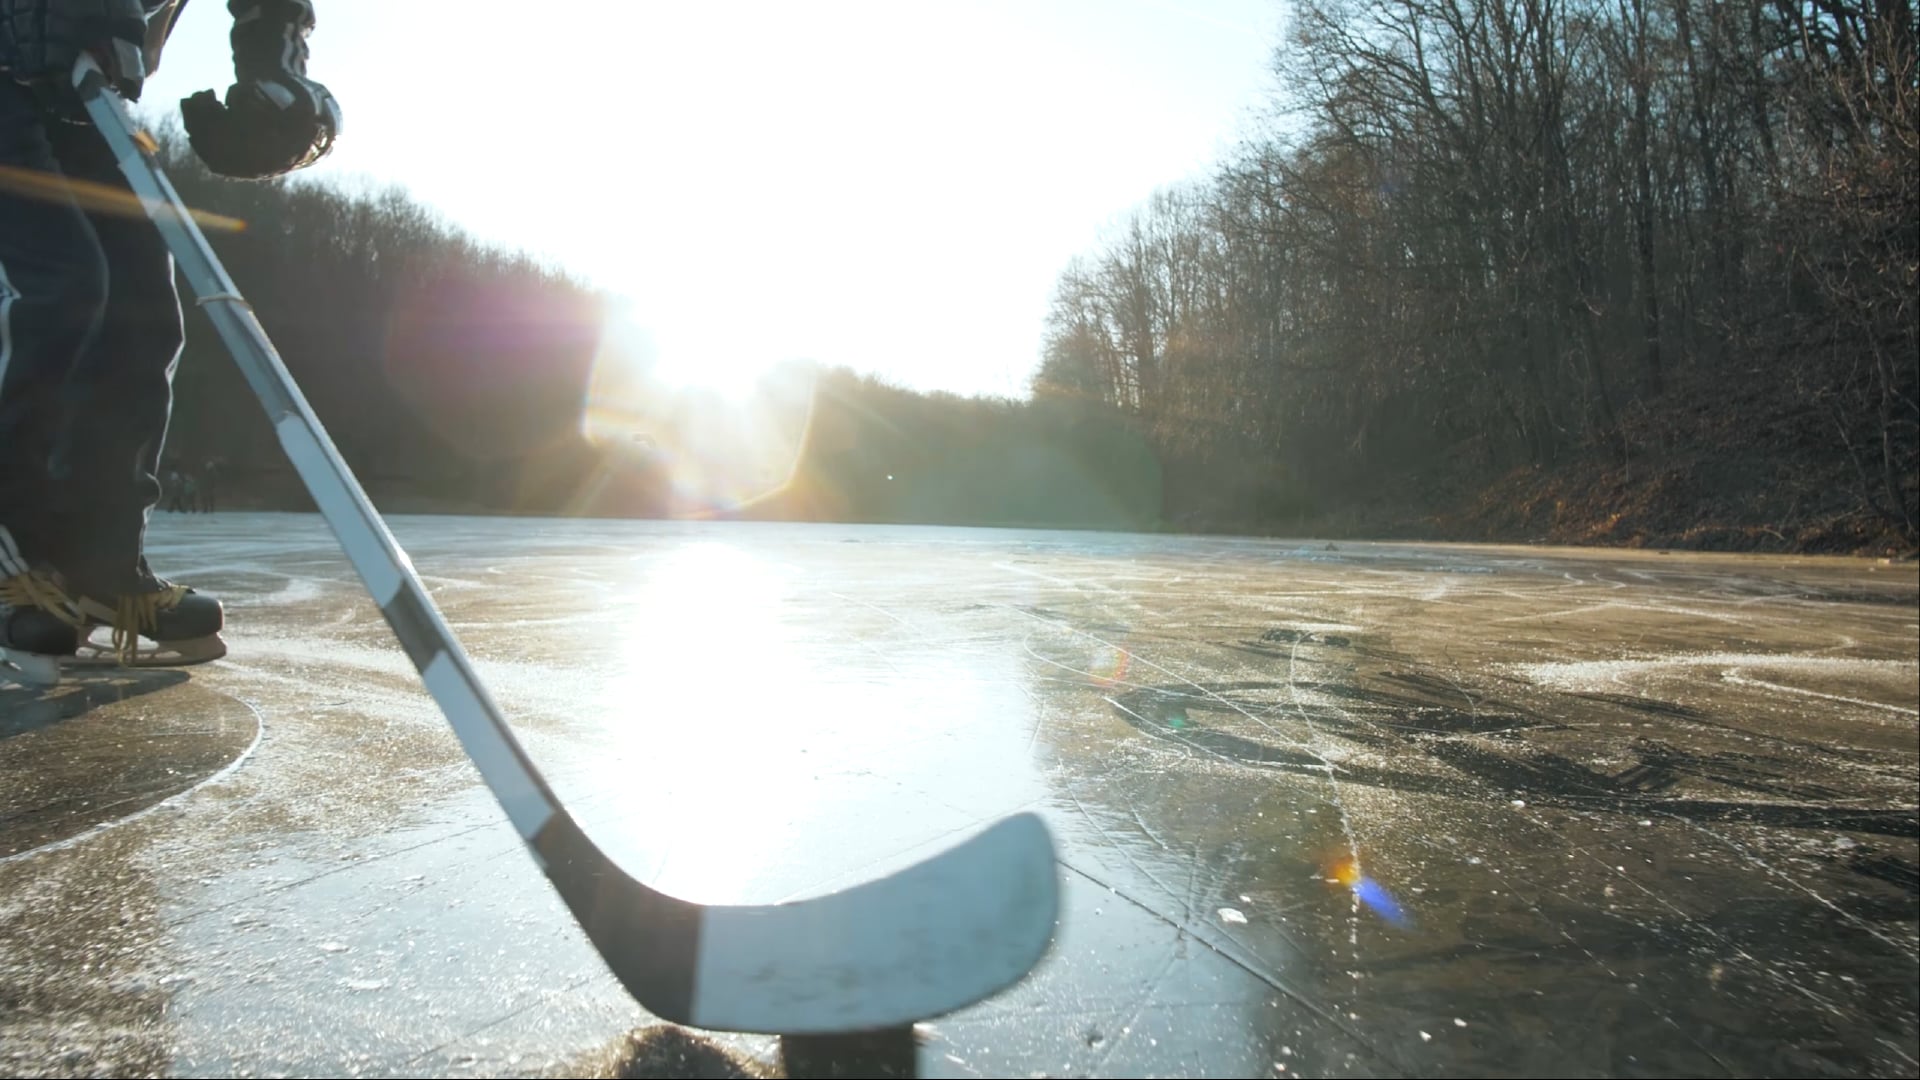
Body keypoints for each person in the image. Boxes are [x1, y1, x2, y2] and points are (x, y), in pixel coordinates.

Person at [0, 0, 339, 670]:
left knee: (143, 313)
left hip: (84, 87)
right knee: (56, 287)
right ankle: (16, 557)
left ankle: (102, 565)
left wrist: (273, 61)